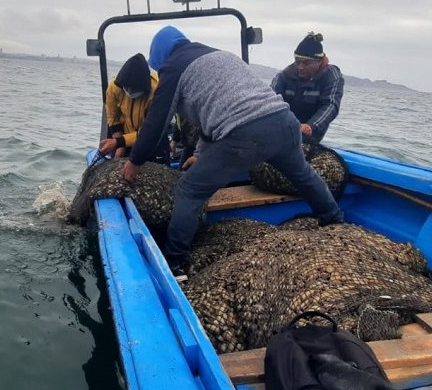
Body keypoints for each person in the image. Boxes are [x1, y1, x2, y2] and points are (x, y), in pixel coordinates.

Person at [123, 26, 343, 271]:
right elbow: (212, 117)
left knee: (189, 189)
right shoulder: (219, 55)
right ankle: (334, 220)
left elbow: (156, 122)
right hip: (285, 123)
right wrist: (200, 155)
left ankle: (175, 263)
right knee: (302, 174)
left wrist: (135, 161)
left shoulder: (174, 67)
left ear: (161, 57)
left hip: (245, 135)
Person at [271, 32, 344, 144]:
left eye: (306, 63)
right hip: (284, 128)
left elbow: (330, 105)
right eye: (298, 62)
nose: (300, 67)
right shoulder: (285, 75)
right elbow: (270, 100)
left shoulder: (332, 76)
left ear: (319, 62)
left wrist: (311, 126)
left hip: (311, 133)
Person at [98, 53, 159, 158]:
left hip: (150, 140)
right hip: (124, 137)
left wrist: (119, 142)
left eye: (133, 89)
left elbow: (150, 131)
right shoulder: (114, 88)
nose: (129, 92)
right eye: (127, 88)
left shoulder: (157, 91)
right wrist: (119, 145)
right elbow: (113, 119)